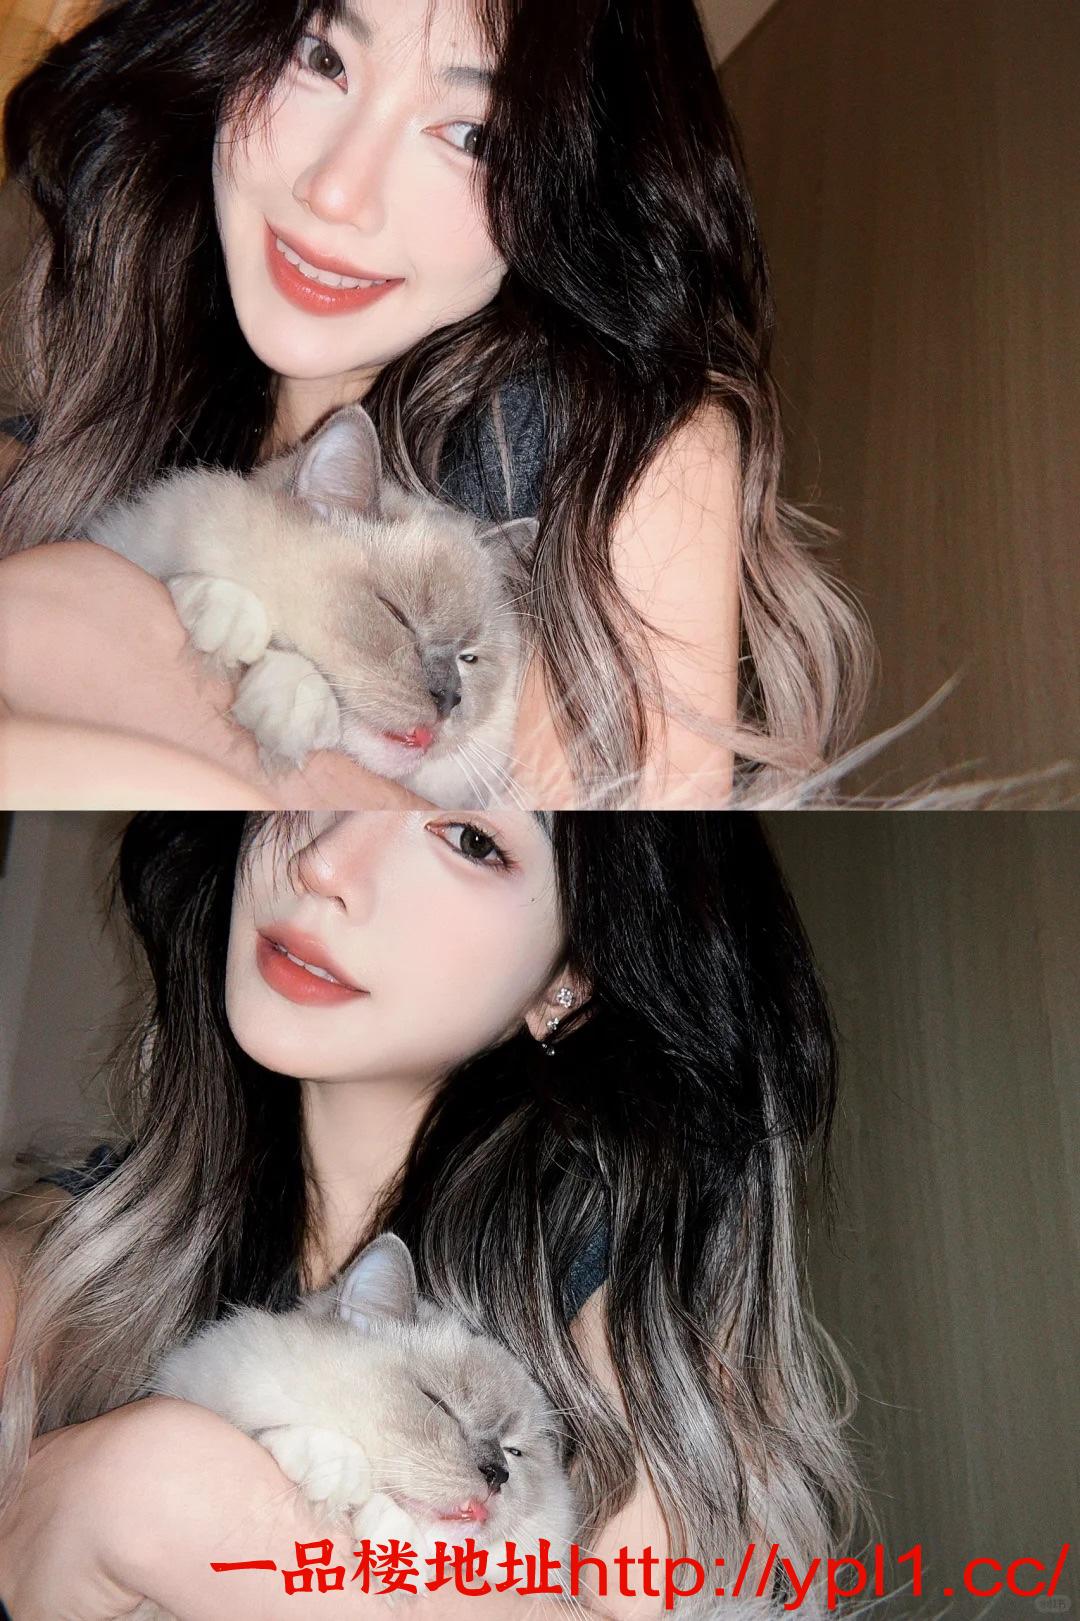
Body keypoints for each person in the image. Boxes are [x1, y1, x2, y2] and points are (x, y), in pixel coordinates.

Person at [0, 0, 872, 809]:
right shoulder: (114, 387)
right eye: (320, 59)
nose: (338, 192)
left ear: (564, 200)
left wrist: (139, 652)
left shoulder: (620, 451)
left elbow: (601, 892)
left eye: (474, 136)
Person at [0, 810, 864, 1617]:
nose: (323, 862)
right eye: (320, 779)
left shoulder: (619, 1296)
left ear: (568, 982)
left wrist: (157, 1494)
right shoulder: (68, 1249)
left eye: (471, 839)